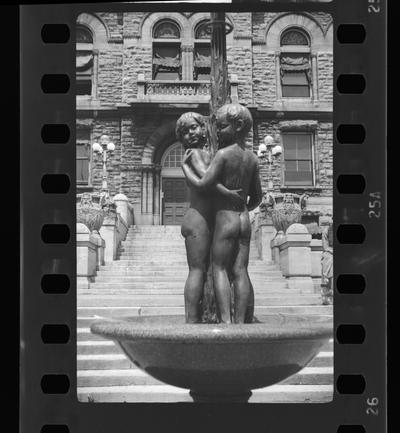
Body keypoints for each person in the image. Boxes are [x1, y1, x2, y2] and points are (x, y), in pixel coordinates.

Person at [182, 103, 263, 323]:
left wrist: (186, 168)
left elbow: (204, 183)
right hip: (243, 217)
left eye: (222, 126)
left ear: (237, 125)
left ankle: (226, 321)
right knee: (240, 271)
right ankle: (241, 322)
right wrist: (241, 204)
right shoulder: (252, 157)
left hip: (225, 219)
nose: (217, 131)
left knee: (218, 268)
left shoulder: (222, 154)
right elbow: (258, 197)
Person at [176, 112, 243, 323]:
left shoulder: (205, 153)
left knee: (202, 270)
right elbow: (207, 181)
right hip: (197, 219)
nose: (190, 134)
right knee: (197, 270)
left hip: (205, 219)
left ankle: (198, 319)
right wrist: (230, 194)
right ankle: (190, 321)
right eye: (184, 132)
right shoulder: (194, 154)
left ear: (204, 128)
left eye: (193, 128)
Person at [321, 221, 333, 305]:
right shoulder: (327, 230)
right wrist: (330, 250)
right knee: (327, 258)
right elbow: (325, 244)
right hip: (330, 250)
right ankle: (325, 277)